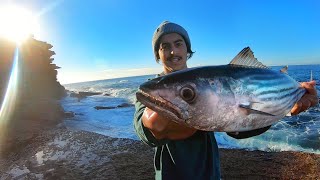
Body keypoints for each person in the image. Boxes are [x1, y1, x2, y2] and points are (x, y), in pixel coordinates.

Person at [133, 21, 319, 180]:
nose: (173, 51)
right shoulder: (152, 88)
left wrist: (286, 108)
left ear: (187, 49)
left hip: (211, 174)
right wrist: (150, 127)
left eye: (178, 43)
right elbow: (143, 129)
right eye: (164, 46)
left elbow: (237, 129)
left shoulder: (206, 81)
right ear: (158, 54)